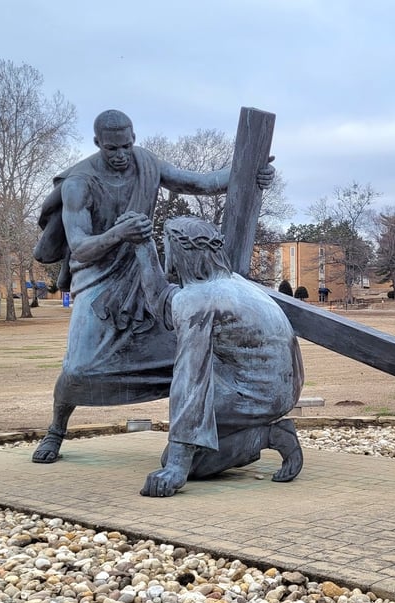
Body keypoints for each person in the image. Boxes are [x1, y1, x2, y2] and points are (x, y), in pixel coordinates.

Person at [31, 109, 274, 464]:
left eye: (127, 145)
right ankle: (56, 430)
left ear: (134, 139)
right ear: (98, 144)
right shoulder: (79, 184)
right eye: (112, 148)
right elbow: (80, 245)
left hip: (144, 271)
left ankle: (205, 438)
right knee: (79, 368)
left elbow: (202, 183)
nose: (121, 154)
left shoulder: (147, 163)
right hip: (99, 278)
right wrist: (118, 234)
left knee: (189, 356)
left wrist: (251, 174)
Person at [133, 215, 304, 497]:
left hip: (255, 395)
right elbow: (163, 304)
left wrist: (177, 465)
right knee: (197, 438)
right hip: (282, 389)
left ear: (178, 252)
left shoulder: (198, 299)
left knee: (190, 461)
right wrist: (144, 247)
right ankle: (264, 431)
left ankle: (267, 436)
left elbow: (190, 378)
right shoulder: (235, 284)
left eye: (166, 248)